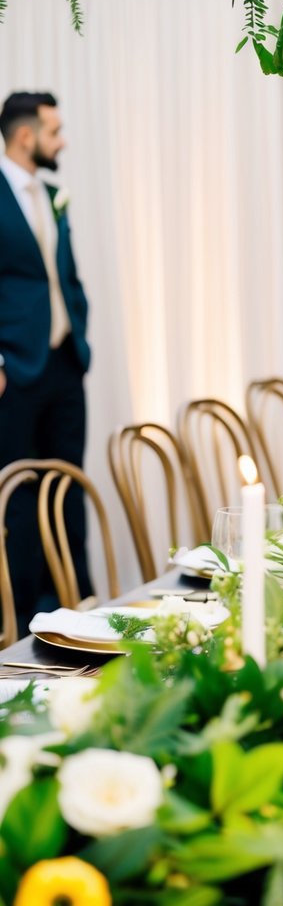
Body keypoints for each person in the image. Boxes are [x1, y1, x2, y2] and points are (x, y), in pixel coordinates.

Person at [0, 91, 92, 630]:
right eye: (54, 131)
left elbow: (67, 278)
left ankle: (79, 605)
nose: (63, 141)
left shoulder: (54, 194)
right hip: (15, 372)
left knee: (69, 487)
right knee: (21, 499)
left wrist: (80, 332)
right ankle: (31, 623)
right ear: (27, 135)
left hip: (63, 364)